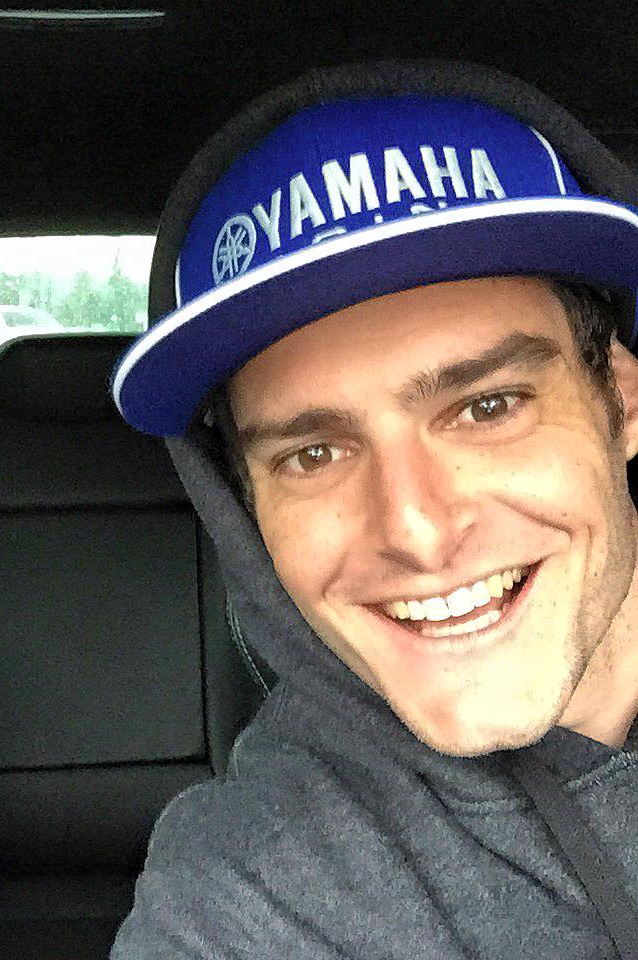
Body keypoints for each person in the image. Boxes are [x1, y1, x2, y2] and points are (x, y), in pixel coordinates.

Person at [108, 60, 638, 958]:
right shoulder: (244, 893)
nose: (418, 532)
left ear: (620, 401)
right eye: (312, 454)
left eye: (488, 407)